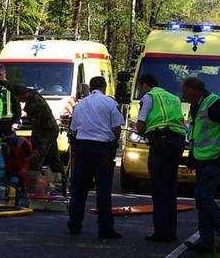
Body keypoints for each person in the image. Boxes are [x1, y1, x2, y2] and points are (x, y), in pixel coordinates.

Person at [181, 76, 220, 253]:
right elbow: (195, 133)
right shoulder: (196, 105)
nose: (183, 96)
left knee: (203, 197)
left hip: (216, 158)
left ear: (194, 89)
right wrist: (191, 158)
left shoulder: (215, 104)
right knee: (202, 200)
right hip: (202, 158)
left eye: (185, 92)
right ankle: (206, 241)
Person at [67, 76, 124, 239]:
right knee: (103, 190)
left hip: (83, 148)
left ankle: (74, 223)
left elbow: (74, 128)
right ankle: (105, 228)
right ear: (104, 87)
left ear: (90, 87)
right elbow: (116, 128)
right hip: (101, 149)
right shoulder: (110, 103)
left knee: (79, 188)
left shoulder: (80, 104)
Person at [134, 74, 186, 243]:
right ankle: (171, 231)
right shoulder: (173, 98)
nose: (139, 92)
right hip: (177, 143)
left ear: (145, 85)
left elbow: (141, 124)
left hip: (161, 144)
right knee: (171, 188)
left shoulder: (149, 97)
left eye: (139, 88)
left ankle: (161, 233)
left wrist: (139, 130)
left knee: (158, 189)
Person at [10, 83, 64, 194]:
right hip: (48, 129)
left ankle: (33, 189)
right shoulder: (32, 93)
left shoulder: (35, 105)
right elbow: (11, 85)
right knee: (54, 159)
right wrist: (1, 81)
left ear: (21, 95)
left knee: (36, 158)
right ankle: (60, 185)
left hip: (46, 131)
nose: (19, 101)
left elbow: (37, 127)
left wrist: (26, 159)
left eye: (18, 98)